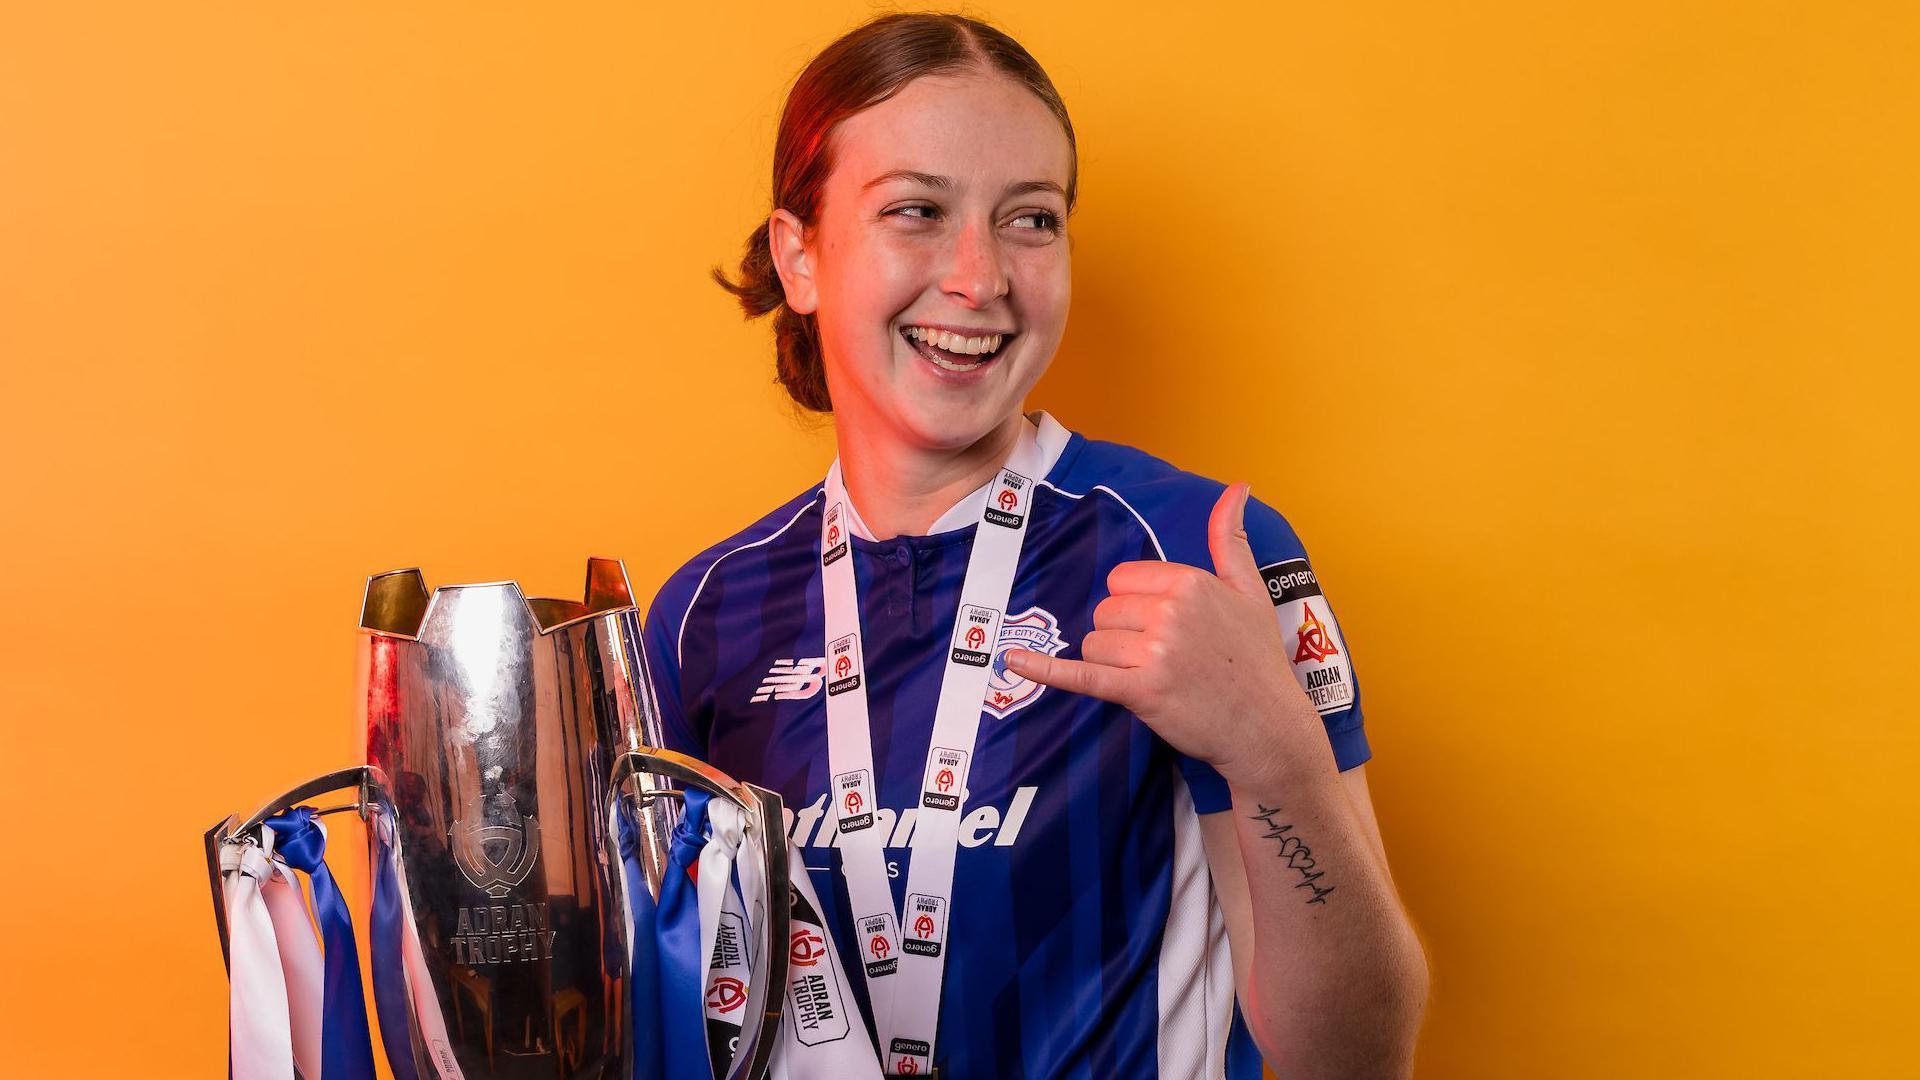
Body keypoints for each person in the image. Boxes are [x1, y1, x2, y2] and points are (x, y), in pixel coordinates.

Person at [643, 12, 1428, 1078]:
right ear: (801, 256)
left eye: (1031, 220)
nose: (979, 278)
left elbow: (1360, 1054)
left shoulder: (1198, 550)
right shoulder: (705, 612)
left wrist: (1275, 753)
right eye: (916, 211)